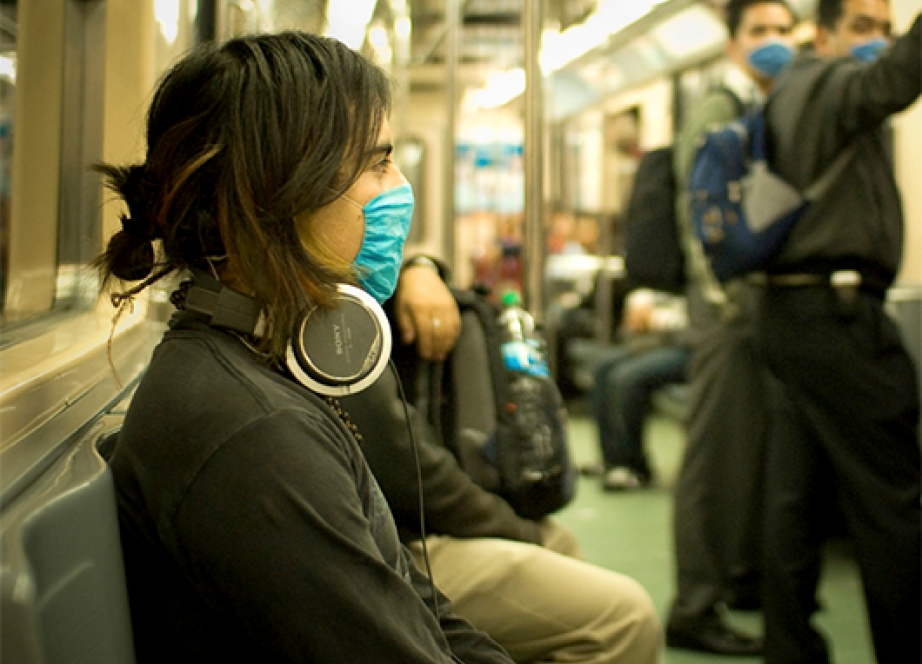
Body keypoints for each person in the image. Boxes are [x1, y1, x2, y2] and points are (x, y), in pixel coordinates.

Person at [95, 32, 517, 664]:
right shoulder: (254, 432)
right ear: (281, 192)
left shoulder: (258, 362)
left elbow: (416, 606)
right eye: (377, 164)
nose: (398, 187)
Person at [339, 259, 663, 664]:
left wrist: (420, 267)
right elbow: (415, 474)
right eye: (376, 190)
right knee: (624, 618)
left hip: (401, 524)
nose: (393, 199)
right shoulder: (335, 325)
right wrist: (514, 528)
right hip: (386, 544)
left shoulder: (356, 293)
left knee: (558, 541)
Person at [757, 2, 922, 662]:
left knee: (795, 497)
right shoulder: (824, 82)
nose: (877, 43)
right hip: (839, 319)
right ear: (820, 35)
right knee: (894, 503)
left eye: (884, 28)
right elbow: (896, 80)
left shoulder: (784, 94)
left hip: (791, 316)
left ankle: (791, 650)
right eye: (862, 27)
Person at [665, 0, 797, 656]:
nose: (773, 42)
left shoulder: (775, 107)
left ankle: (739, 580)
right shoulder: (720, 110)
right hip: (725, 307)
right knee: (716, 459)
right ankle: (693, 606)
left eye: (782, 30)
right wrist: (721, 297)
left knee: (752, 453)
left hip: (757, 307)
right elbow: (699, 215)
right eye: (760, 32)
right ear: (734, 42)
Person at [589, 288, 690, 490]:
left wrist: (658, 318)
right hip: (665, 340)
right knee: (602, 368)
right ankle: (612, 460)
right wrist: (639, 306)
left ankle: (634, 467)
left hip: (692, 346)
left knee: (626, 378)